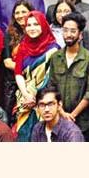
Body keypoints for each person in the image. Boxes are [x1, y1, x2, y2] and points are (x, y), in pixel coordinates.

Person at [47, 11, 89, 140]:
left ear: (80, 34)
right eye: (65, 30)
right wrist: (62, 113)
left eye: (72, 31)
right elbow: (51, 87)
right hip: (58, 118)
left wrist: (72, 115)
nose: (68, 35)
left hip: (83, 123)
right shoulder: (55, 57)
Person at [12, 10, 60, 142]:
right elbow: (18, 73)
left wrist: (37, 97)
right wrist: (27, 95)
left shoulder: (53, 49)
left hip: (45, 100)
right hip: (25, 99)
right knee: (23, 134)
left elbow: (52, 77)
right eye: (29, 25)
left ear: (43, 25)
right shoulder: (22, 47)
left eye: (36, 24)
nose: (32, 28)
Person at [0, 0, 33, 113]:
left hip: (33, 82)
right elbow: (7, 62)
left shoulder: (36, 32)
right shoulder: (9, 34)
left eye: (24, 12)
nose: (20, 15)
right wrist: (27, 68)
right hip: (12, 83)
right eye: (17, 13)